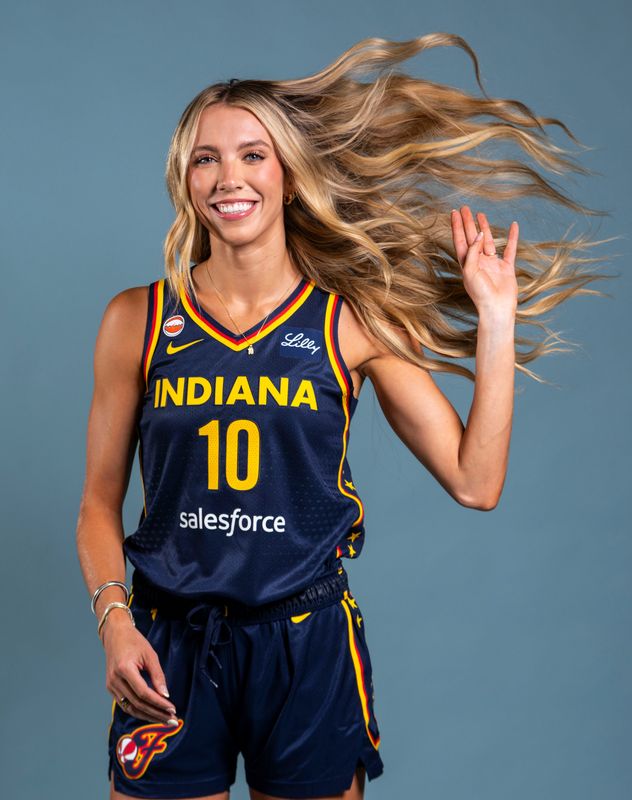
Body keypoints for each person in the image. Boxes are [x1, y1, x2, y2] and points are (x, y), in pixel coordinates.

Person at [76, 33, 610, 800]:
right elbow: (97, 503)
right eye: (206, 158)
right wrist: (115, 624)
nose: (230, 176)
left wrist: (496, 319)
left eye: (253, 154)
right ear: (185, 181)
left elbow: (477, 480)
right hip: (168, 640)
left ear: (289, 176)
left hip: (305, 644)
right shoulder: (139, 318)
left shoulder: (349, 321)